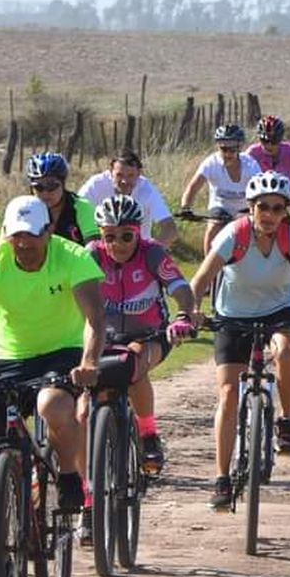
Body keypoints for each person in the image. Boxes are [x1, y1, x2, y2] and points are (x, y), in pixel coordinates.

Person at [0, 196, 105, 540]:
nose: (24, 243)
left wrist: (89, 361)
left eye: (31, 235)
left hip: (61, 352)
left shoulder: (73, 257)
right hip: (6, 358)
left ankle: (70, 475)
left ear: (48, 231)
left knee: (52, 405)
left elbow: (95, 318)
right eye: (16, 235)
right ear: (5, 233)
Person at [189, 173, 290, 508]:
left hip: (277, 310)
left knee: (285, 350)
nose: (269, 214)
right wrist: (190, 312)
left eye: (277, 208)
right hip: (232, 315)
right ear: (251, 208)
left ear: (285, 211)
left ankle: (285, 419)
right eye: (262, 207)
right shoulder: (233, 235)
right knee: (227, 393)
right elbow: (201, 278)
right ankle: (222, 479)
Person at [87, 194, 198, 471]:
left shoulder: (152, 254)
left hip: (150, 335)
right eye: (109, 237)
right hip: (104, 338)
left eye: (126, 236)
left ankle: (148, 436)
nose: (117, 244)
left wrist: (184, 315)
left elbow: (181, 288)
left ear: (138, 232)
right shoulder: (91, 255)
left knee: (133, 366)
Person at [177, 124, 264, 253]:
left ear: (239, 148)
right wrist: (185, 207)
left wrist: (252, 211)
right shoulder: (211, 163)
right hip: (220, 208)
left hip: (245, 209)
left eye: (232, 149)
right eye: (223, 149)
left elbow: (261, 192)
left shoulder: (250, 165)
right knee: (213, 228)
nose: (227, 153)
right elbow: (193, 187)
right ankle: (209, 267)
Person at [76, 149, 179, 247]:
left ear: (139, 173)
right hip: (103, 252)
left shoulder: (147, 190)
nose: (124, 181)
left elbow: (170, 229)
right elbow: (74, 211)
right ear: (111, 171)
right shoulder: (96, 185)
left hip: (138, 254)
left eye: (130, 175)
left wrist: (151, 252)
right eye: (119, 175)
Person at [27, 152, 98, 246]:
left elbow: (94, 248)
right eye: (38, 187)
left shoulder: (82, 207)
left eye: (52, 186)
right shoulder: (24, 210)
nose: (45, 192)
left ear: (63, 184)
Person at [246, 115, 290, 184]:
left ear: (281, 139)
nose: (269, 145)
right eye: (264, 140)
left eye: (274, 140)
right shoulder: (252, 153)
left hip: (286, 191)